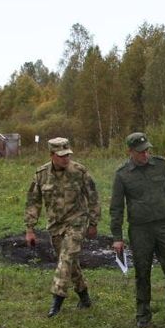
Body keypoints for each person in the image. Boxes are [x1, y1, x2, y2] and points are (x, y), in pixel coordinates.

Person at [110, 131, 165, 328]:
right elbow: (117, 208)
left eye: (147, 151)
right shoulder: (122, 175)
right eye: (140, 152)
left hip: (163, 226)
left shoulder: (161, 165)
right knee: (142, 272)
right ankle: (143, 315)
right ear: (130, 151)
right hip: (139, 230)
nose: (145, 155)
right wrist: (117, 237)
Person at [25, 136, 100, 317]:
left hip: (77, 221)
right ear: (52, 155)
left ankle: (56, 301)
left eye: (68, 155)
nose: (66, 158)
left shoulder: (79, 171)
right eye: (61, 155)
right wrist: (30, 229)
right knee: (70, 262)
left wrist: (93, 223)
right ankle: (84, 296)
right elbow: (33, 202)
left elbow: (93, 197)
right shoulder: (41, 174)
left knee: (66, 258)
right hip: (55, 226)